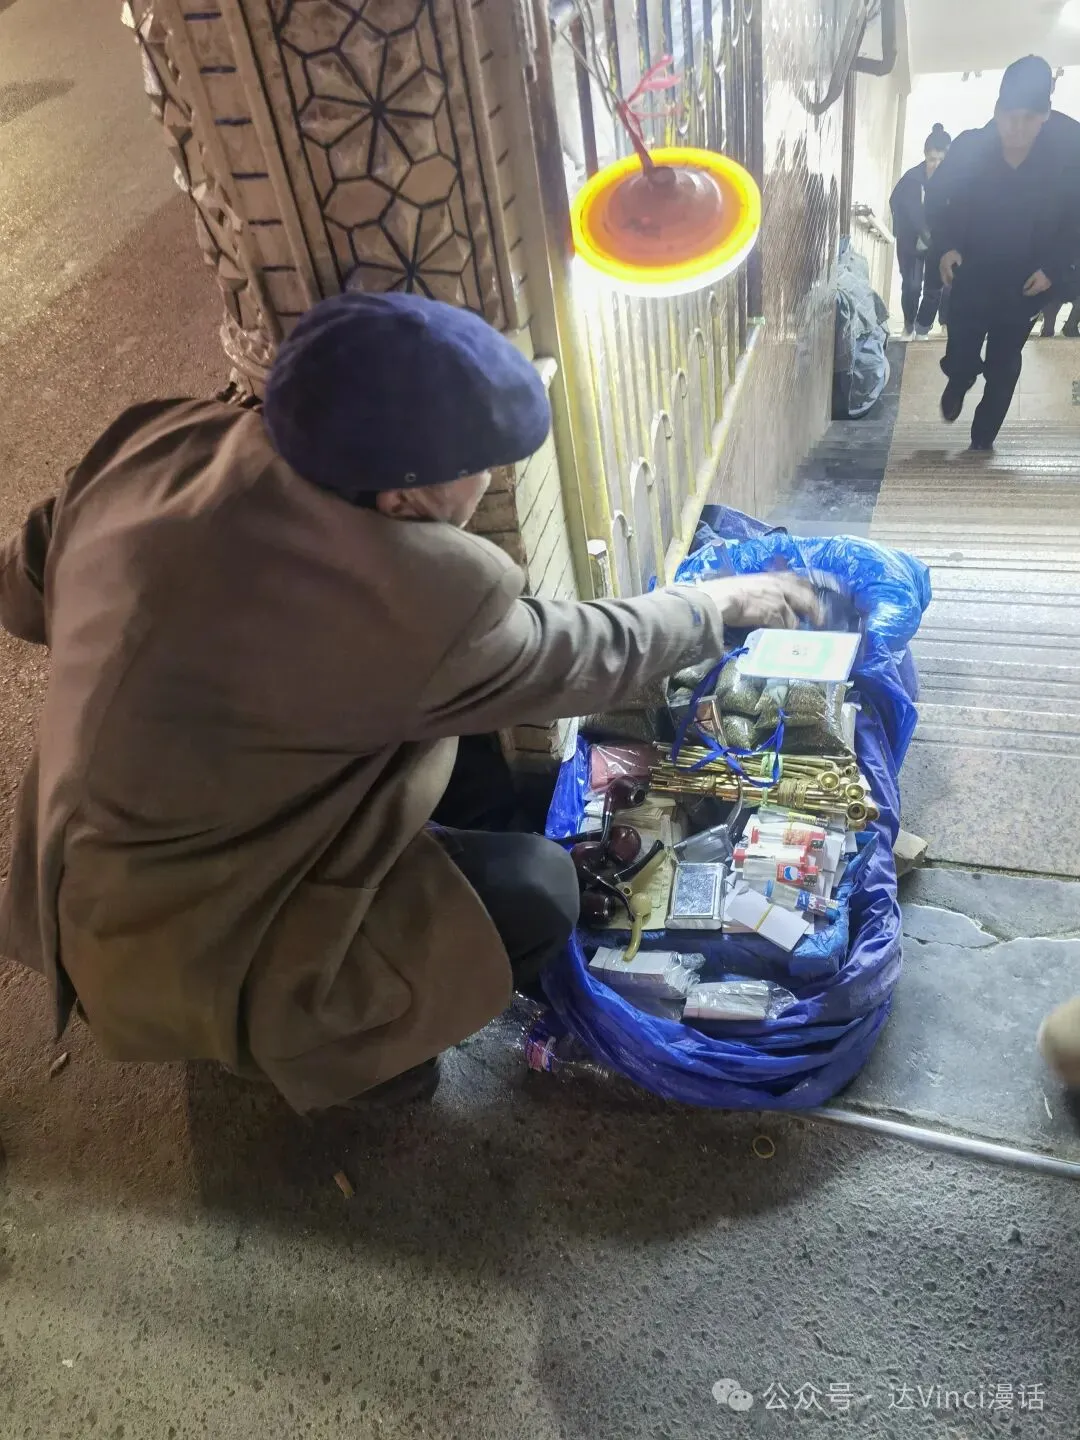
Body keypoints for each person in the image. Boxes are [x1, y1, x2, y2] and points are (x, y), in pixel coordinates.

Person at [0, 292, 820, 1113]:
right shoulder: (408, 600)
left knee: (448, 741)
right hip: (187, 941)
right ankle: (339, 1053)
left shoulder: (156, 441)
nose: (492, 482)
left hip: (70, 874)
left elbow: (21, 591)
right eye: (483, 470)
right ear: (401, 501)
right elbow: (584, 651)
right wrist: (717, 606)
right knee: (538, 891)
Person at [926, 55, 1080, 451]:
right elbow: (938, 198)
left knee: (1004, 361)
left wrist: (1054, 268)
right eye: (1009, 116)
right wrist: (946, 246)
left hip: (1027, 280)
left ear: (1045, 116)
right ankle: (959, 379)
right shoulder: (970, 147)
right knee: (962, 348)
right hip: (972, 270)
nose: (1017, 128)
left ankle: (982, 441)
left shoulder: (1070, 154)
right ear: (996, 111)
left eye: (1029, 118)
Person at [890, 123, 951, 339]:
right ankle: (908, 325)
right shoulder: (911, 180)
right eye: (932, 159)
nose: (936, 165)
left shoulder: (954, 183)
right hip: (913, 242)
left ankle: (923, 328)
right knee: (912, 286)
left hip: (939, 243)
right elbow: (896, 205)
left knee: (935, 288)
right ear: (925, 156)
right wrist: (904, 232)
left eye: (941, 160)